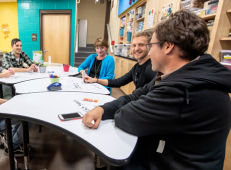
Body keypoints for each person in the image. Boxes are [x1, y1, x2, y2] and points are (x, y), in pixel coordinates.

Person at [82, 10, 231, 170]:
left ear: (167, 46)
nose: (149, 51)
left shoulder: (182, 89)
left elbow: (127, 118)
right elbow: (134, 97)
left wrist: (112, 110)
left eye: (150, 45)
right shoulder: (175, 75)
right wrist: (102, 109)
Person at [83, 31, 156, 91]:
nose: (136, 48)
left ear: (150, 46)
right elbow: (118, 82)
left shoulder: (152, 69)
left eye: (141, 45)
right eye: (134, 45)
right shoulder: (136, 67)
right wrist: (95, 80)